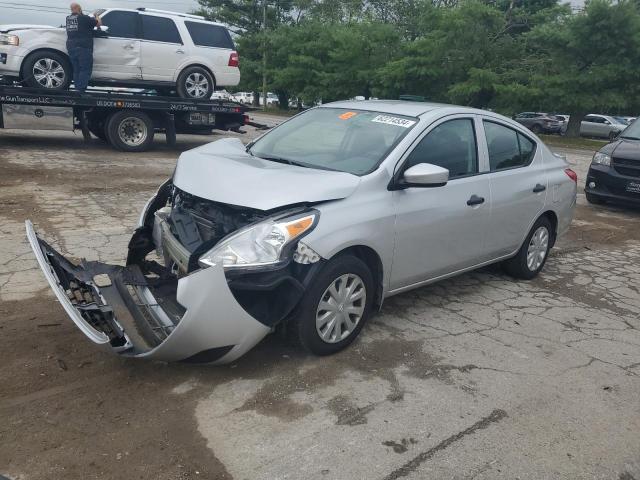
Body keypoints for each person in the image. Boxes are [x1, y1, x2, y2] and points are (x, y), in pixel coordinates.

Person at [65, 3, 101, 92]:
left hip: (71, 47)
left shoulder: (68, 19)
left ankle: (78, 89)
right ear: (79, 8)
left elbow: (80, 26)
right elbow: (98, 24)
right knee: (85, 69)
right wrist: (96, 16)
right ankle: (81, 90)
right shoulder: (84, 18)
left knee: (76, 70)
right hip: (83, 47)